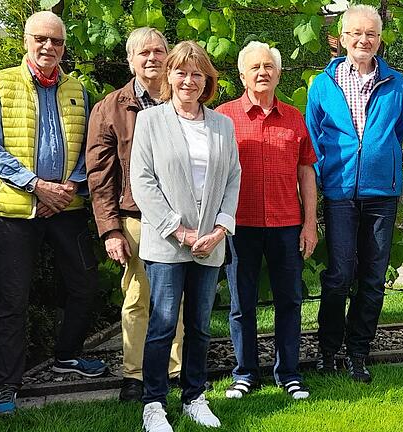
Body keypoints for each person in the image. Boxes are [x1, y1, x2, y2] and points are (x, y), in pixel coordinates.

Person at [0, 11, 107, 417]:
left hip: (67, 206)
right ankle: (6, 385)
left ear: (64, 46)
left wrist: (70, 184)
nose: (49, 47)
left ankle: (67, 354)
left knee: (84, 285)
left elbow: (90, 146)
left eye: (57, 41)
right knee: (13, 299)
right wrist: (36, 185)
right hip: (17, 210)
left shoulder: (78, 90)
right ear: (25, 41)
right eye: (41, 39)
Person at [130, 41, 240, 431]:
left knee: (199, 324)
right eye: (181, 72)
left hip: (210, 242)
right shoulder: (150, 121)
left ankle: (195, 396)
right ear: (169, 76)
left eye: (197, 73)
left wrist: (220, 228)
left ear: (207, 80)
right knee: (162, 323)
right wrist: (178, 228)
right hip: (166, 243)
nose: (188, 80)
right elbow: (142, 182)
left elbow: (232, 178)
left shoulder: (222, 125)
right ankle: (154, 404)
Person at [305, 4, 403, 383]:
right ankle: (328, 350)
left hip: (381, 193)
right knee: (337, 275)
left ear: (379, 40)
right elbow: (315, 137)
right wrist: (329, 175)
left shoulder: (396, 83)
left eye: (372, 34)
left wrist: (378, 160)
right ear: (343, 38)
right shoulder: (322, 84)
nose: (364, 40)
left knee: (372, 277)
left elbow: (397, 130)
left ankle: (359, 353)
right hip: (340, 193)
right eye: (357, 33)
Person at [86, 27, 185, 402]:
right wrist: (110, 229)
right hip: (137, 220)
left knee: (176, 300)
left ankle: (174, 371)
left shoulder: (183, 100)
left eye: (159, 51)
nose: (152, 59)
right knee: (138, 298)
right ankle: (135, 374)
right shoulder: (111, 108)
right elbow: (100, 175)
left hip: (181, 220)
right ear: (130, 60)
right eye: (143, 53)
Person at [216, 41, 317, 400]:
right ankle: (244, 374)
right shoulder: (224, 116)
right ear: (242, 75)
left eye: (268, 67)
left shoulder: (293, 117)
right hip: (237, 225)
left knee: (289, 301)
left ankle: (289, 373)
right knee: (241, 303)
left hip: (286, 223)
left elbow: (306, 171)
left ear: (278, 73)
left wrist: (309, 223)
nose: (262, 72)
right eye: (255, 67)